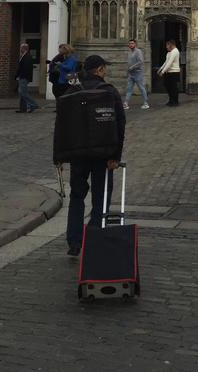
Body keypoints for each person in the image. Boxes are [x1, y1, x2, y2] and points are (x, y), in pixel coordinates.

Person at [66, 55, 126, 256]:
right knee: (101, 198)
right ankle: (93, 236)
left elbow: (64, 124)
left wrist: (61, 154)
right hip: (103, 154)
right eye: (104, 69)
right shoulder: (109, 92)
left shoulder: (74, 91)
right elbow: (120, 125)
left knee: (76, 197)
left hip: (79, 154)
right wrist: (115, 156)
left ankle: (74, 242)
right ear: (100, 70)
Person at [124, 38, 149, 110]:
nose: (131, 45)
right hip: (131, 74)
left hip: (138, 73)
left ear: (135, 44)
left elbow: (141, 62)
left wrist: (132, 67)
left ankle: (145, 103)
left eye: (132, 43)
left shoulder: (138, 51)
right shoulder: (129, 52)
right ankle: (126, 103)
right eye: (129, 43)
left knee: (141, 88)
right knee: (129, 88)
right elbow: (129, 62)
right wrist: (128, 69)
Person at [15, 42, 39, 113]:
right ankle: (23, 108)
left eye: (21, 48)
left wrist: (19, 75)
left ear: (24, 48)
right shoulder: (24, 56)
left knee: (23, 92)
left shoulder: (27, 57)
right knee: (22, 93)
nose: (20, 49)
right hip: (22, 76)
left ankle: (33, 104)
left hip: (24, 77)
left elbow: (25, 68)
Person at [157, 39, 180, 106]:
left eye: (167, 45)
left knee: (173, 87)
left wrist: (163, 72)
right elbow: (166, 62)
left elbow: (169, 63)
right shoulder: (169, 52)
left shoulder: (175, 51)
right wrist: (160, 69)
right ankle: (171, 100)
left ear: (171, 45)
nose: (166, 47)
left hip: (174, 72)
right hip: (169, 72)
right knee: (167, 86)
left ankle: (175, 101)